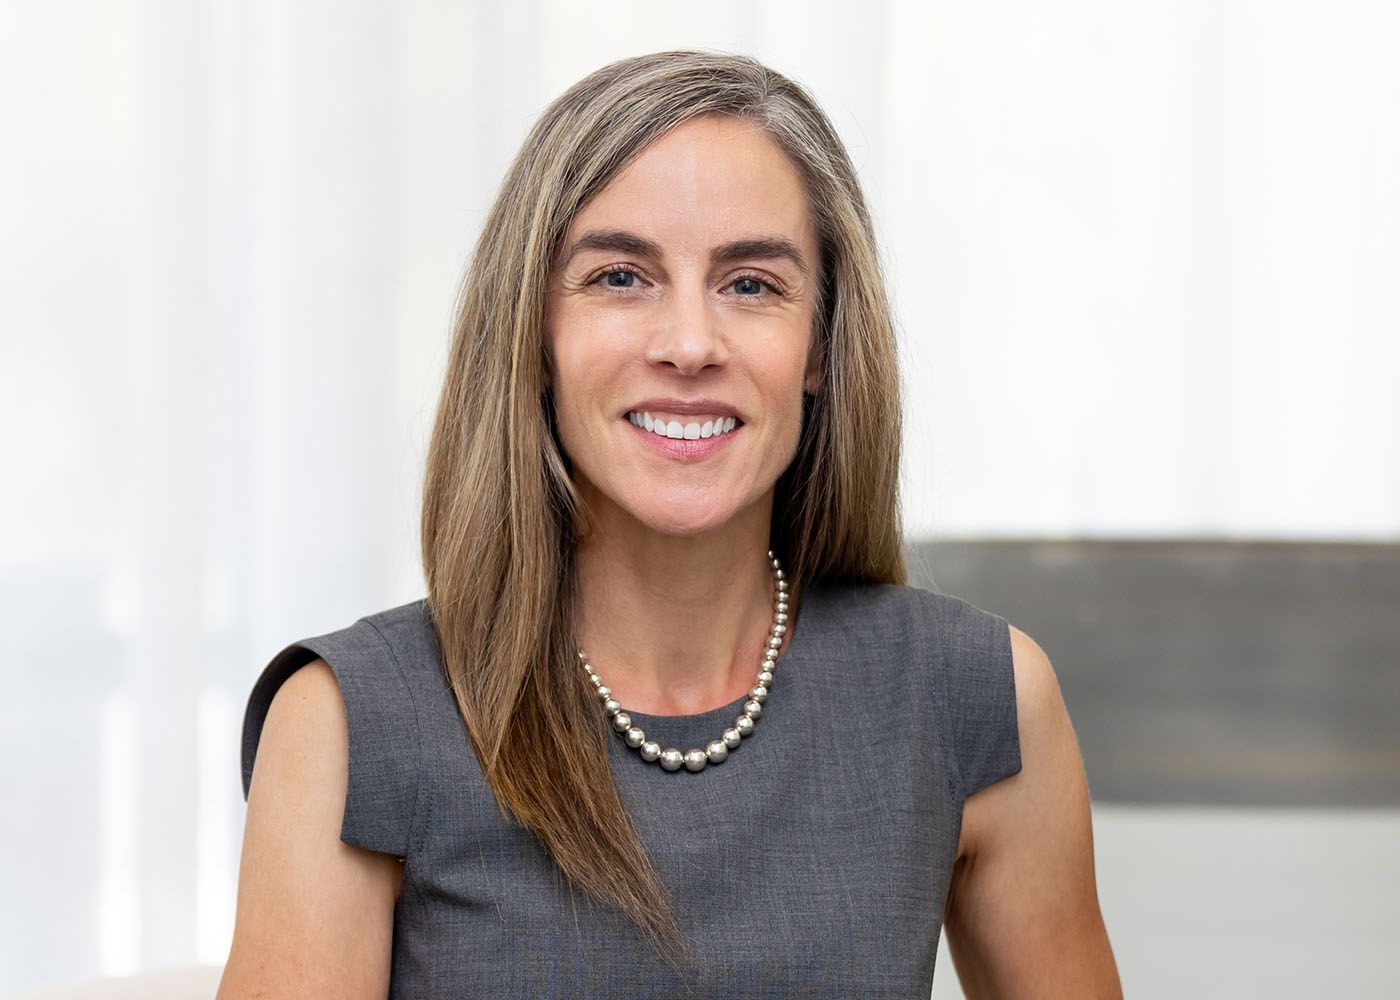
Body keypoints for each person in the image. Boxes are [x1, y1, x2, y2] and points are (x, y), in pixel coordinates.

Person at [219, 50, 1121, 998]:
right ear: (535, 336)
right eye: (619, 277)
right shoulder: (346, 726)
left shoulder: (977, 700)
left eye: (751, 285)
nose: (690, 344)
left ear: (820, 346)